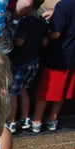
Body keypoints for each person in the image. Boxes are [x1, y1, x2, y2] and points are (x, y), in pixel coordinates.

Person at [6, 0, 49, 134]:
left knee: (12, 93)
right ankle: (25, 119)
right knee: (24, 91)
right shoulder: (42, 22)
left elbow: (19, 42)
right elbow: (45, 42)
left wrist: (11, 36)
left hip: (20, 64)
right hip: (34, 62)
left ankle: (11, 121)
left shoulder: (25, 22)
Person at [32, 0, 75, 133]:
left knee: (45, 91)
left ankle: (37, 121)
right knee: (62, 91)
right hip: (72, 54)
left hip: (58, 54)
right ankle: (52, 119)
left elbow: (56, 34)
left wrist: (45, 35)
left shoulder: (63, 5)